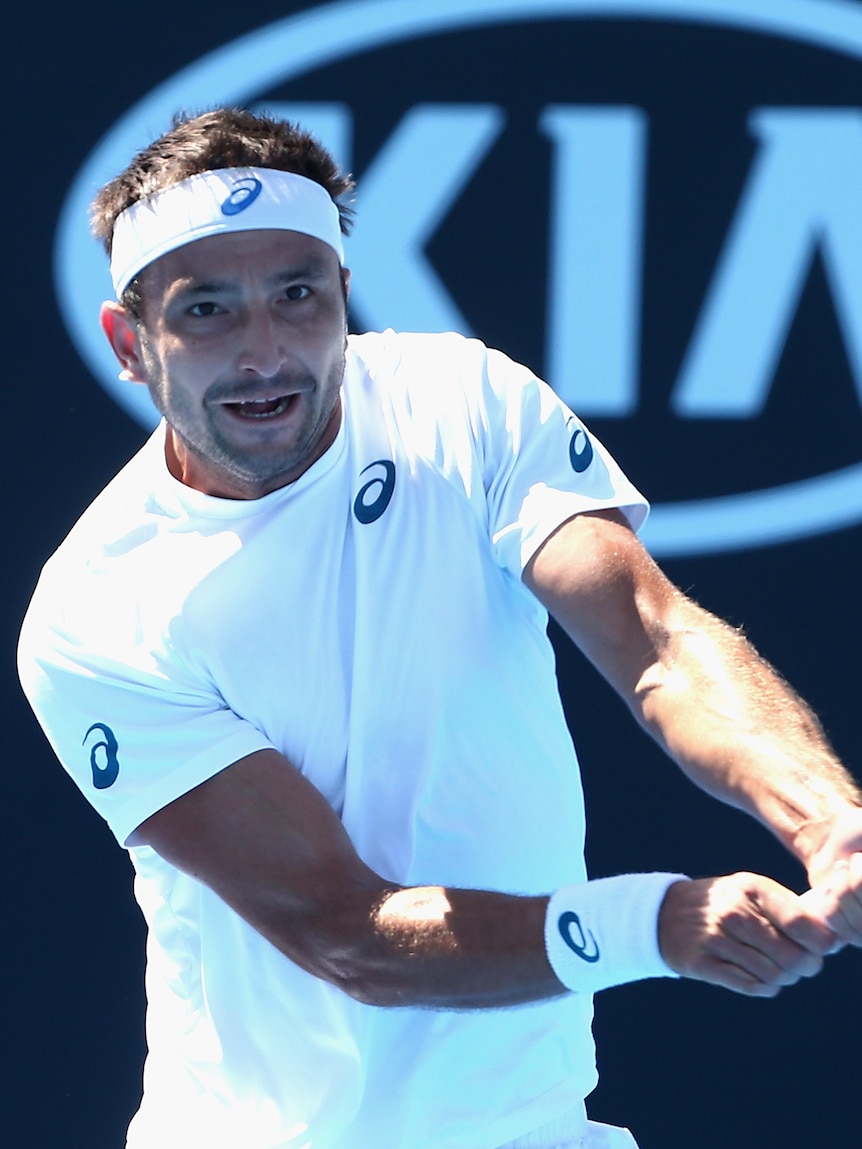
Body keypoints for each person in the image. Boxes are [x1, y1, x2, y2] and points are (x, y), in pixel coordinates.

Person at [17, 107, 862, 1149]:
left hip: (538, 1129)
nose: (264, 351)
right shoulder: (97, 609)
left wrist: (829, 819)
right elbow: (346, 929)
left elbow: (656, 642)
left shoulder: (465, 403)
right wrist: (649, 923)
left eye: (297, 294)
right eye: (208, 311)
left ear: (342, 295)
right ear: (130, 344)